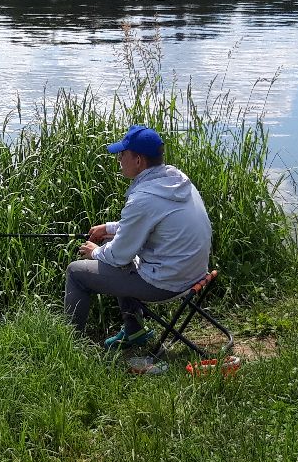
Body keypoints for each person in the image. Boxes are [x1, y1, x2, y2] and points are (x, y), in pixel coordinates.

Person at [64, 124, 213, 346]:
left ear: (138, 160)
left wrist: (95, 252)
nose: (119, 160)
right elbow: (149, 221)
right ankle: (134, 332)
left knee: (76, 272)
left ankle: (69, 344)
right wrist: (110, 228)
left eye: (123, 154)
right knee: (116, 246)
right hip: (194, 273)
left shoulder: (144, 198)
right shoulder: (176, 180)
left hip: (166, 283)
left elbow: (118, 256)